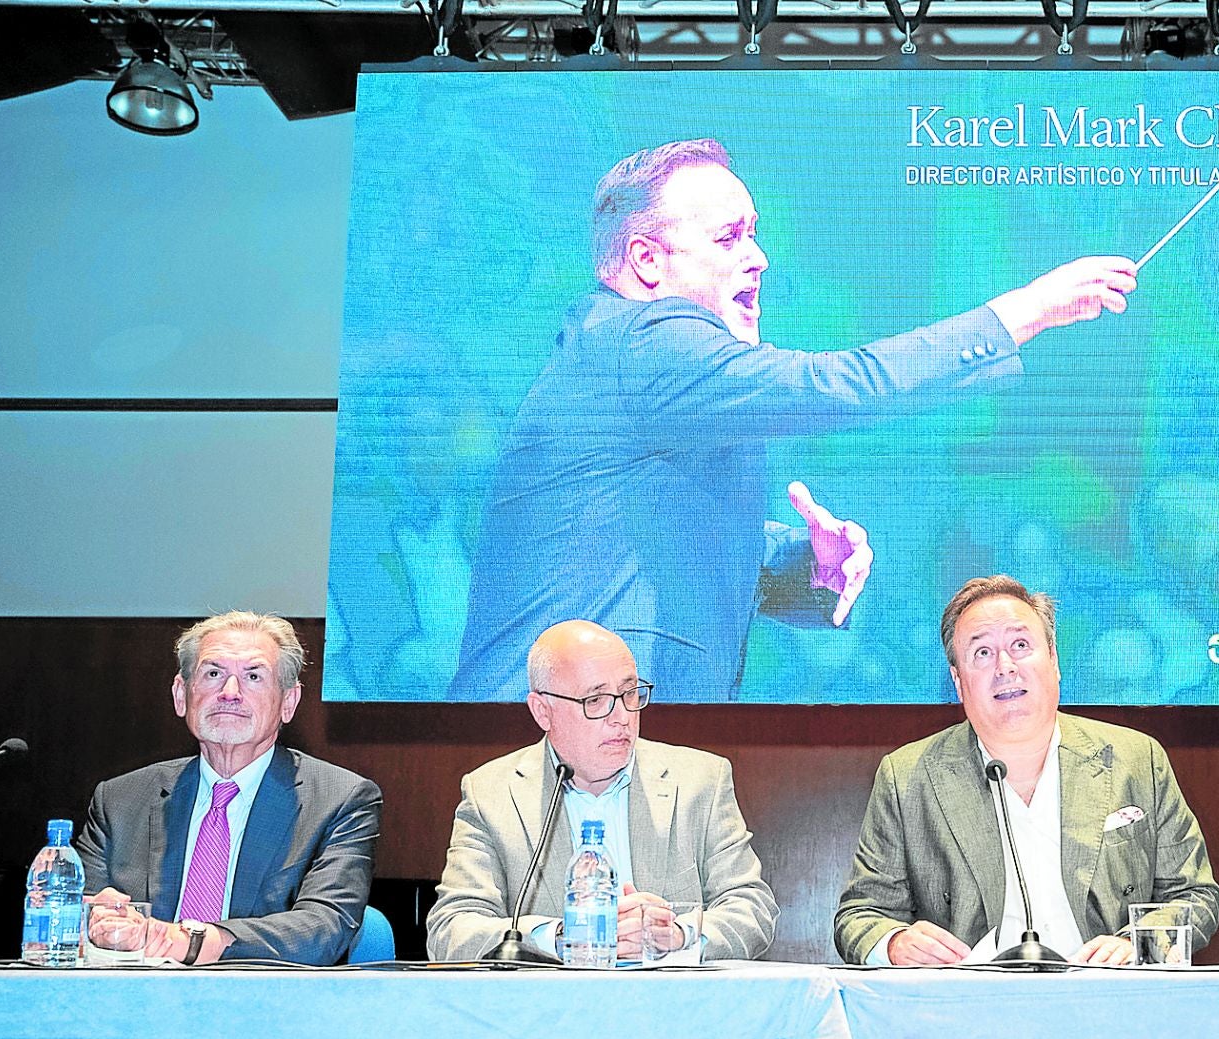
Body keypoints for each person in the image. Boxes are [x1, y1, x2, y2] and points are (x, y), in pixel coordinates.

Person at [450, 138, 1139, 703]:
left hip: (616, 750)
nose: (758, 257)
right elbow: (837, 385)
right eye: (729, 238)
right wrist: (1026, 312)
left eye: (755, 234)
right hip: (545, 757)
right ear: (646, 261)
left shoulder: (647, 374)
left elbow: (658, 545)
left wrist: (808, 564)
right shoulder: (642, 337)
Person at [835, 574, 1219, 966]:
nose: (1005, 667)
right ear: (958, 680)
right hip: (969, 1005)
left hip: (1105, 996)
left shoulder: (1136, 759)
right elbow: (859, 916)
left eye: (1021, 645)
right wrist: (895, 942)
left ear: (1054, 661)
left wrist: (1137, 946)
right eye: (982, 653)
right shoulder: (908, 777)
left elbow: (1195, 896)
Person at [427, 620, 778, 961]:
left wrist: (679, 934)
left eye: (629, 693)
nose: (622, 716)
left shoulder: (700, 781)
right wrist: (564, 935)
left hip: (672, 1008)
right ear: (542, 711)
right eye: (595, 700)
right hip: (550, 1013)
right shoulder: (493, 794)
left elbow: (753, 908)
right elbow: (451, 930)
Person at [74, 612, 383, 966]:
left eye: (253, 676)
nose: (229, 693)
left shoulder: (340, 799)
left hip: (265, 1006)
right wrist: (101, 921)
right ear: (181, 695)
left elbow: (323, 928)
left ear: (288, 702)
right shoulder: (121, 800)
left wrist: (192, 941)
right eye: (213, 674)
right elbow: (77, 914)